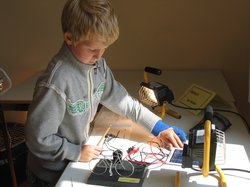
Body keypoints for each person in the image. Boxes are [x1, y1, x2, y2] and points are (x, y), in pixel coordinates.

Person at [24, 0, 186, 186]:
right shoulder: (55, 82)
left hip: (75, 160)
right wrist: (76, 152)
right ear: (69, 38)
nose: (99, 56)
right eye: (93, 49)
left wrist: (159, 127)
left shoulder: (97, 66)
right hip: (50, 175)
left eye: (105, 48)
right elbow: (38, 139)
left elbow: (124, 102)